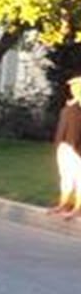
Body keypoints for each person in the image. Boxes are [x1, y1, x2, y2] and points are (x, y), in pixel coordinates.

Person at [48, 75, 81, 219]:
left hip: (77, 147)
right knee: (66, 176)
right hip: (64, 146)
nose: (75, 89)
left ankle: (78, 207)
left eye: (78, 87)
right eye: (73, 87)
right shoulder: (69, 105)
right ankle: (64, 203)